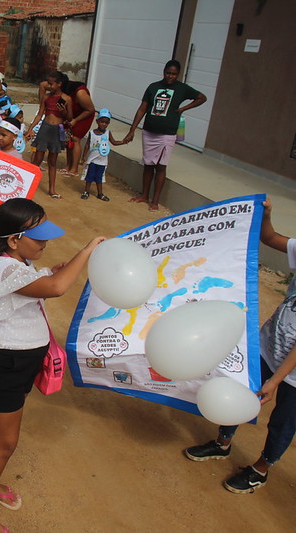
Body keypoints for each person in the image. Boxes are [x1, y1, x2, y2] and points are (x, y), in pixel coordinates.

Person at [0, 198, 104, 533]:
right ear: (13, 240)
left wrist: (47, 272)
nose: (45, 242)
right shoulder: (6, 267)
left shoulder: (16, 262)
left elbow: (40, 282)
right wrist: (86, 252)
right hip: (6, 363)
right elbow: (55, 288)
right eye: (38, 236)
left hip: (19, 360)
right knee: (6, 442)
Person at [183, 197, 296, 494]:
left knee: (283, 421)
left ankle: (262, 467)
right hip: (268, 345)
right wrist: (267, 214)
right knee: (237, 387)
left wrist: (277, 379)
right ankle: (223, 443)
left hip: (293, 372)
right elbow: (270, 237)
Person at [123, 60, 206, 211]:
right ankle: (144, 195)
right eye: (168, 73)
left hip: (167, 134)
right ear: (164, 72)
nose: (170, 76)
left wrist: (183, 108)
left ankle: (155, 200)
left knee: (161, 166)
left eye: (174, 74)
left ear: (178, 74)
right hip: (149, 132)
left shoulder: (182, 89)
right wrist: (132, 129)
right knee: (148, 164)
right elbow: (142, 109)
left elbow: (202, 97)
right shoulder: (153, 87)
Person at [37, 76, 95, 176]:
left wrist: (75, 120)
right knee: (68, 139)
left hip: (84, 115)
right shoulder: (57, 87)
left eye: (52, 85)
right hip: (69, 113)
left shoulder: (80, 93)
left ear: (59, 85)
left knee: (75, 138)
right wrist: (43, 104)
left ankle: (74, 169)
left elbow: (90, 110)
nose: (50, 87)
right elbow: (42, 85)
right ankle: (68, 166)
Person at [29, 71, 72, 199]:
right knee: (37, 158)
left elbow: (69, 117)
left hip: (56, 130)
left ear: (59, 84)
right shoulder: (46, 97)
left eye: (51, 83)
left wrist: (63, 112)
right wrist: (31, 128)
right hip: (45, 128)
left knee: (52, 161)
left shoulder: (67, 99)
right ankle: (29, 183)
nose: (48, 85)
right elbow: (40, 114)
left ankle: (52, 189)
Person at [79, 109, 125, 201]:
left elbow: (114, 142)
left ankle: (100, 193)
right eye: (102, 122)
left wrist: (123, 141)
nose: (104, 124)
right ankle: (86, 191)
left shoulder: (108, 133)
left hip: (102, 161)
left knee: (99, 178)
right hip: (92, 160)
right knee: (89, 177)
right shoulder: (92, 133)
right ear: (97, 121)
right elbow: (87, 144)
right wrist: (84, 156)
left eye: (106, 123)